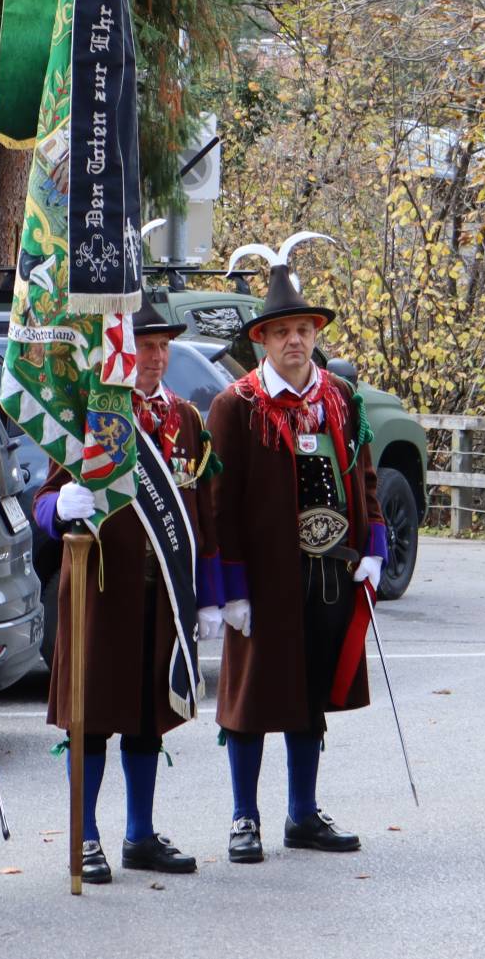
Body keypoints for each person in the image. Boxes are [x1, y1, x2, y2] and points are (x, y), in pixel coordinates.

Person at [206, 245, 385, 862]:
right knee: (252, 699)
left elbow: (364, 476)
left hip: (329, 574)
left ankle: (303, 815)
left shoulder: (341, 397)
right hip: (263, 579)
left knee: (309, 697)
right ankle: (244, 818)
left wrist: (374, 546)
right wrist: (230, 588)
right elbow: (219, 504)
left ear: (315, 334)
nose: (294, 341)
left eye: (303, 330)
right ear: (262, 339)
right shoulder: (236, 405)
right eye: (282, 331)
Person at [34, 300, 214, 883]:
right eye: (144, 345)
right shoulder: (93, 413)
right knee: (91, 717)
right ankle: (84, 835)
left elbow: (201, 511)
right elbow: (42, 503)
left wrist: (209, 594)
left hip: (161, 595)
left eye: (163, 346)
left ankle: (140, 834)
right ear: (120, 349)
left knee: (147, 716)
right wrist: (60, 508)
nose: (155, 357)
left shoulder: (186, 419)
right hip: (100, 591)